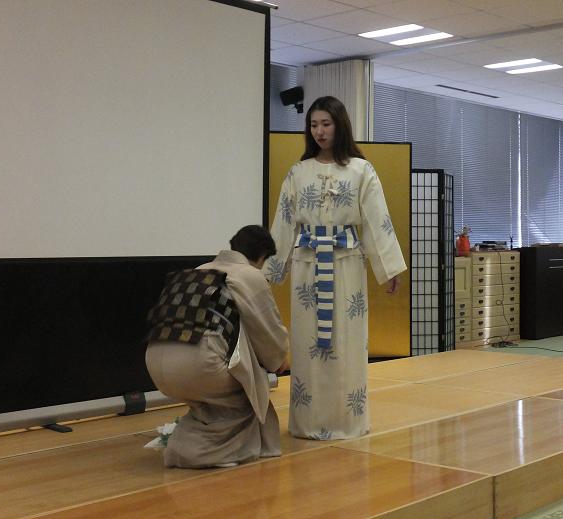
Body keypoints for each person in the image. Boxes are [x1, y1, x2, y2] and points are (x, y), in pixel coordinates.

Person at [264, 96, 406, 440]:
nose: (320, 131)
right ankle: (307, 421)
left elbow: (376, 220)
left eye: (326, 124)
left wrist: (389, 268)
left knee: (347, 342)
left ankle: (347, 420)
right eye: (314, 125)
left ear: (340, 125)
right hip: (307, 265)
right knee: (307, 342)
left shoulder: (361, 170)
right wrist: (269, 271)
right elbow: (284, 221)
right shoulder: (298, 172)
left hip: (345, 266)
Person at [145, 225, 289, 468]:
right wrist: (279, 358)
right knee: (249, 398)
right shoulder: (249, 275)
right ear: (262, 256)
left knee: (209, 406)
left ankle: (183, 443)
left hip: (154, 362)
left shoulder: (200, 269)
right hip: (199, 366)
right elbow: (268, 331)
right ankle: (205, 454)